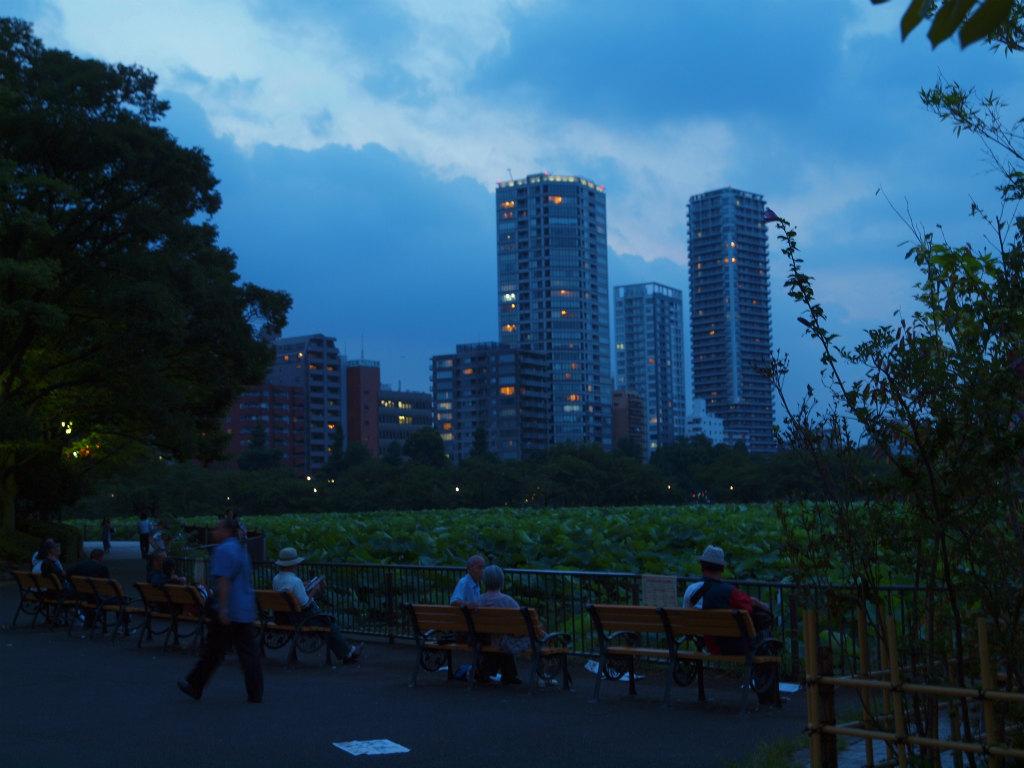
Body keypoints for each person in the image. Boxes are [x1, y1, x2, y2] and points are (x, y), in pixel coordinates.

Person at [178, 517, 262, 703]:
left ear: (226, 531)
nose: (214, 531)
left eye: (218, 528)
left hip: (229, 609)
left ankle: (195, 684)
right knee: (248, 652)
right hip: (244, 608)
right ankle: (255, 692)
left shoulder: (223, 550)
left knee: (214, 650)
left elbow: (223, 581)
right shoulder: (241, 549)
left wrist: (223, 609)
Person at [271, 547, 362, 664]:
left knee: (326, 622)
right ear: (293, 564)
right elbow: (305, 604)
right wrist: (314, 590)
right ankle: (348, 652)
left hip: (284, 617)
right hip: (301, 619)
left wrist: (304, 585)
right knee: (329, 622)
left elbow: (291, 592)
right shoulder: (295, 581)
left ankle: (348, 652)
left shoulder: (276, 578)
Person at [681, 545, 770, 654]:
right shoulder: (730, 592)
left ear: (702, 566)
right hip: (730, 647)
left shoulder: (690, 590)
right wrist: (762, 604)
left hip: (706, 644)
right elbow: (750, 608)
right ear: (722, 568)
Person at [472, 564, 525, 685]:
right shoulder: (508, 601)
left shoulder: (478, 601)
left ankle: (490, 672)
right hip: (503, 640)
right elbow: (521, 623)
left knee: (499, 638)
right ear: (501, 580)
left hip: (484, 640)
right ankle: (509, 674)